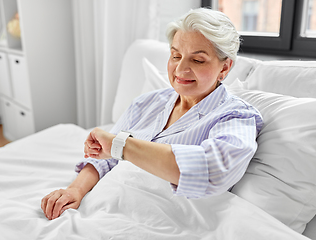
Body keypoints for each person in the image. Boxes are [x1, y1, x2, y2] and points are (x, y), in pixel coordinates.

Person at [41, 8, 263, 220]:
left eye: (197, 60)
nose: (180, 70)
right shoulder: (147, 103)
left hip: (166, 220)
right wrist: (74, 191)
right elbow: (106, 160)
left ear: (224, 68)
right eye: (176, 56)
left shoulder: (235, 116)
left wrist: (121, 146)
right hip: (106, 204)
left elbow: (212, 170)